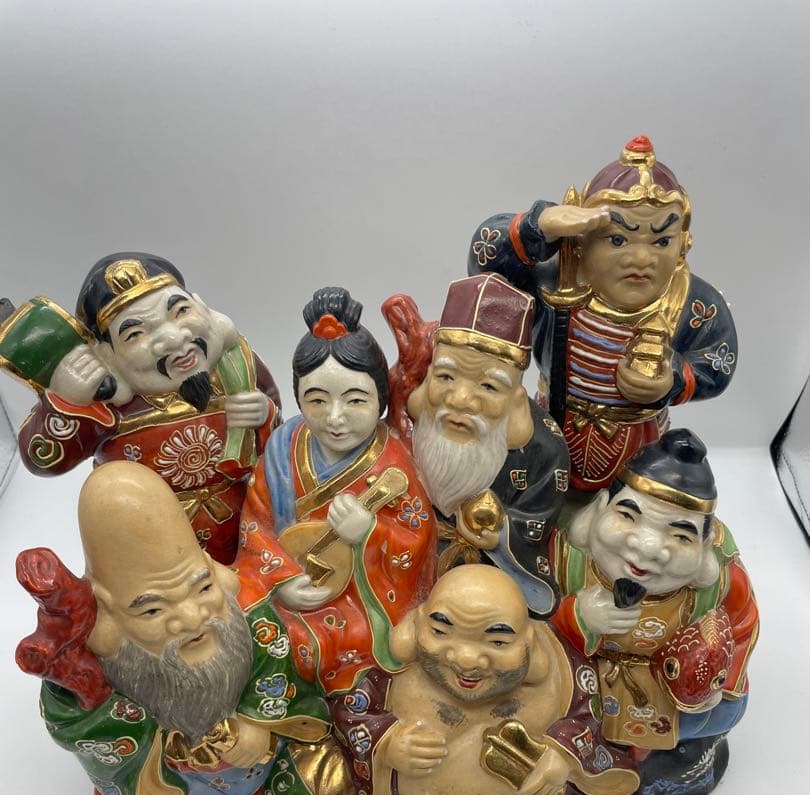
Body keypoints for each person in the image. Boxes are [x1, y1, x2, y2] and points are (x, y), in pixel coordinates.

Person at [15, 461, 332, 795]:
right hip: (154, 771)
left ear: (212, 568)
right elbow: (68, 720)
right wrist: (108, 714)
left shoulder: (254, 618)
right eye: (152, 610)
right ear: (109, 612)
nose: (192, 618)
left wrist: (257, 724)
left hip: (231, 764)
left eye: (202, 588)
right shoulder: (97, 651)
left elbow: (277, 672)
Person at [329, 565, 638, 795]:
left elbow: (587, 719)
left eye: (498, 642)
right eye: (441, 632)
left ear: (528, 641)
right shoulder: (391, 671)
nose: (466, 660)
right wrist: (388, 743)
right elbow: (353, 713)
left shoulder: (563, 663)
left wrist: (562, 757)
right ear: (417, 624)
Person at [467, 136, 738, 493]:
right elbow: (485, 264)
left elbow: (717, 360)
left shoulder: (693, 302)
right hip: (551, 424)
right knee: (538, 487)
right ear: (582, 240)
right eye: (617, 240)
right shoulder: (555, 279)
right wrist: (537, 227)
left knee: (626, 504)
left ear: (683, 243)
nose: (641, 259)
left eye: (661, 242)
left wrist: (672, 379)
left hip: (638, 437)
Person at [8, 252, 280, 562]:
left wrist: (265, 414)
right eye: (135, 334)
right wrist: (67, 401)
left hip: (246, 530)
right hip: (154, 552)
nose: (173, 338)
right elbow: (44, 461)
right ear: (107, 355)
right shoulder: (106, 405)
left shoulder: (239, 368)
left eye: (180, 311)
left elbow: (281, 445)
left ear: (201, 305)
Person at [234, 286, 436, 698]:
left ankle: (325, 707)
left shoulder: (392, 462)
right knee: (237, 619)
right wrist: (281, 580)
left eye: (355, 400)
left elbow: (417, 539)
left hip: (358, 598)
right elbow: (256, 525)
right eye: (317, 400)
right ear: (298, 397)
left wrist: (371, 534)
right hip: (286, 578)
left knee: (339, 643)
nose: (335, 418)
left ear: (380, 399)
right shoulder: (283, 447)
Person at [548, 429, 759, 795]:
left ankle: (671, 761)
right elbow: (527, 624)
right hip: (585, 680)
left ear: (705, 543)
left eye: (679, 535)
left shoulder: (719, 581)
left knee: (722, 712)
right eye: (628, 516)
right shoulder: (565, 557)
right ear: (600, 507)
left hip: (665, 688)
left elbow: (743, 625)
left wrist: (715, 683)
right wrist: (577, 617)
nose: (646, 547)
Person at [385, 273, 570, 616]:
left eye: (488, 386)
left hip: (490, 588)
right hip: (405, 573)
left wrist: (501, 534)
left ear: (516, 398)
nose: (460, 399)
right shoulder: (405, 426)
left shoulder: (545, 452)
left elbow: (537, 526)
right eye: (446, 377)